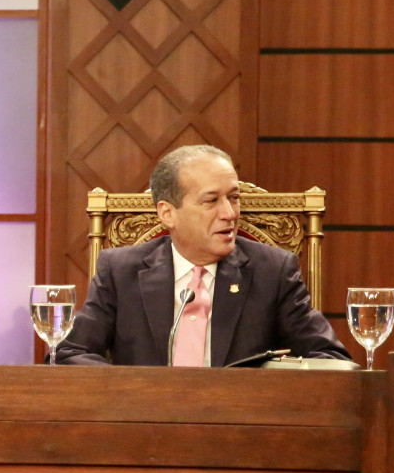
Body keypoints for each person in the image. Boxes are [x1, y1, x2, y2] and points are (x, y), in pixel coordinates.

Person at [56, 144, 350, 366]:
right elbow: (71, 353)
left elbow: (331, 359)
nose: (229, 214)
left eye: (233, 198)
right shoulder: (121, 271)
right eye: (211, 201)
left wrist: (265, 387)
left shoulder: (273, 271)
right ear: (168, 213)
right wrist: (130, 391)